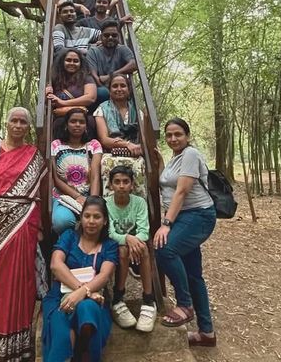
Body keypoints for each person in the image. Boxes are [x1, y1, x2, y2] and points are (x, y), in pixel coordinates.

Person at [0, 107, 47, 362]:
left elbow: (41, 194)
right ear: (6, 123)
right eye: (13, 120)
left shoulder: (34, 154)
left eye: (23, 122)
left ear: (27, 127)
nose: (18, 125)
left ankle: (20, 349)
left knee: (22, 285)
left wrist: (41, 229)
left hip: (26, 226)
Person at [153, 117, 217, 347]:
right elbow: (166, 183)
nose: (173, 139)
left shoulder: (190, 154)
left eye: (178, 134)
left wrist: (166, 224)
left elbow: (182, 191)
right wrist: (160, 162)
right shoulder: (175, 158)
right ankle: (206, 333)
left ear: (187, 136)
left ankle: (184, 304)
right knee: (193, 274)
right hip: (184, 218)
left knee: (163, 249)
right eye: (169, 135)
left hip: (198, 215)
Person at [42, 196, 118, 362]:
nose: (91, 221)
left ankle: (86, 352)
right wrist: (83, 290)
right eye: (87, 216)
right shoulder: (69, 236)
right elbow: (56, 264)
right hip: (59, 297)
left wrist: (83, 293)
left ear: (105, 221)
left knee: (88, 309)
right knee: (62, 331)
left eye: (97, 217)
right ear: (81, 217)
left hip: (96, 298)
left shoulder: (110, 245)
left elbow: (104, 275)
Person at [106, 165, 157, 332]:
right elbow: (109, 233)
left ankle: (149, 299)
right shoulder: (105, 204)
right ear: (111, 185)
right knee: (122, 250)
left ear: (132, 185)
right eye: (117, 182)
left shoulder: (139, 202)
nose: (121, 186)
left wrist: (134, 241)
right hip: (114, 247)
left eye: (126, 182)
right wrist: (128, 238)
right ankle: (118, 298)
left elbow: (144, 231)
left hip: (135, 247)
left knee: (143, 248)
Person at [93, 73, 145, 198]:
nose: (119, 89)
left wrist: (137, 147)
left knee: (140, 165)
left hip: (135, 153)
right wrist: (127, 144)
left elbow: (144, 137)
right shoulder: (102, 109)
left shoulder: (137, 111)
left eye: (123, 86)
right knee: (107, 164)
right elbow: (105, 139)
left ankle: (139, 208)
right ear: (109, 90)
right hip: (111, 153)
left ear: (129, 89)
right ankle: (110, 209)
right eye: (115, 86)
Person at [51, 108, 102, 234]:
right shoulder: (56, 145)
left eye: (81, 122)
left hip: (88, 196)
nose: (77, 125)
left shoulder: (93, 145)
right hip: (63, 197)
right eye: (73, 121)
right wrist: (77, 197)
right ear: (66, 125)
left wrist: (92, 201)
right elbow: (56, 179)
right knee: (61, 221)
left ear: (86, 126)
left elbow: (95, 176)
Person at [46, 48, 97, 138]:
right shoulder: (54, 79)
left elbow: (90, 98)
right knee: (59, 123)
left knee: (90, 121)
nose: (72, 63)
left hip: (83, 118)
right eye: (68, 60)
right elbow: (49, 102)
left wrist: (63, 103)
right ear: (62, 62)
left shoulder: (86, 78)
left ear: (81, 63)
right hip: (62, 120)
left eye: (76, 61)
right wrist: (46, 93)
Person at [86, 19, 137, 104]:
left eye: (114, 35)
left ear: (118, 36)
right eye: (106, 35)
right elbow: (94, 75)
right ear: (101, 37)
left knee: (129, 94)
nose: (110, 38)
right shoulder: (93, 51)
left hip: (118, 87)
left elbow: (133, 64)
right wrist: (110, 92)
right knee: (103, 92)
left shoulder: (123, 49)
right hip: (100, 87)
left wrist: (110, 76)